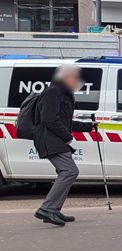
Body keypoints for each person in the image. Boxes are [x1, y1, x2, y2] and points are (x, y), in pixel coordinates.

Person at [33, 64, 97, 227]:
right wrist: (67, 137)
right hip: (49, 139)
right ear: (67, 77)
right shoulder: (53, 92)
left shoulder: (62, 93)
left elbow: (64, 121)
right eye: (76, 79)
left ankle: (54, 209)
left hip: (55, 139)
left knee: (66, 172)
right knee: (70, 171)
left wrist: (87, 126)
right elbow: (49, 119)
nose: (78, 83)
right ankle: (47, 208)